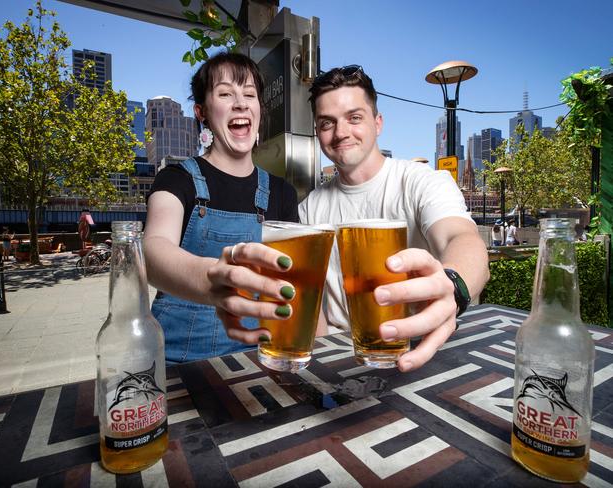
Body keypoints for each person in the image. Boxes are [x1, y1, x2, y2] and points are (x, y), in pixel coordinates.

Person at [298, 65, 490, 372]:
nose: (341, 132)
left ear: (378, 123)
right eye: (326, 123)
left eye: (354, 117)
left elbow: (463, 239)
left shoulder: (422, 181)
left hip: (417, 352)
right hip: (340, 360)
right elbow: (315, 305)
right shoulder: (309, 209)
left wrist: (452, 285)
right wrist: (321, 369)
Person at [144, 52, 299, 363]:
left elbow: (294, 283)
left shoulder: (282, 192)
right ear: (201, 112)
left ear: (258, 109)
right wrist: (213, 279)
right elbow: (154, 250)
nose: (240, 103)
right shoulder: (176, 179)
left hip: (258, 357)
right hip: (175, 361)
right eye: (226, 93)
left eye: (250, 94)